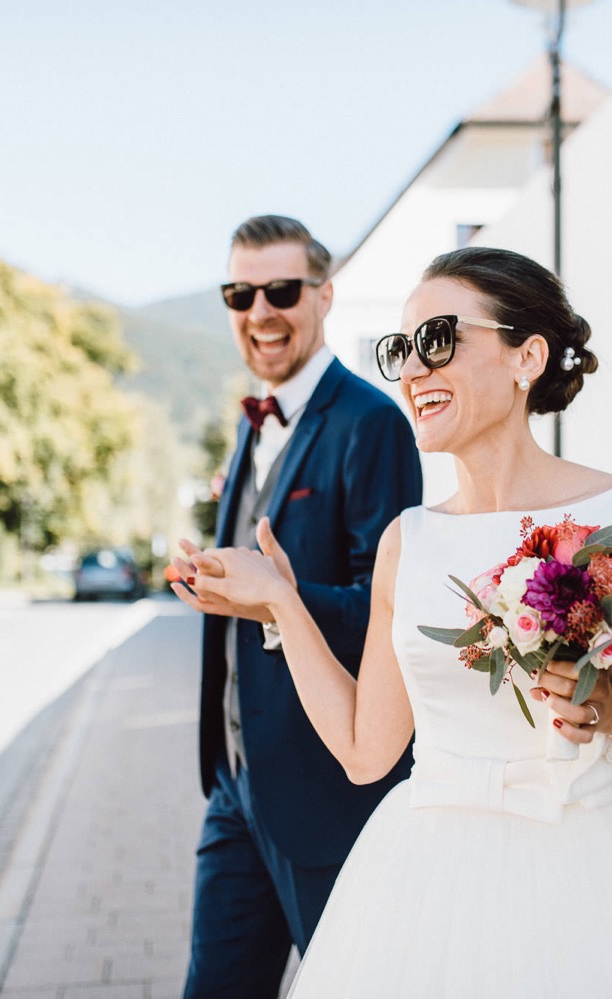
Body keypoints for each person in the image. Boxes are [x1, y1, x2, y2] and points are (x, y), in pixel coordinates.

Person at [173, 245, 612, 996]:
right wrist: (281, 601)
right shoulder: (406, 542)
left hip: (601, 887)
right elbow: (364, 751)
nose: (413, 370)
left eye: (439, 339)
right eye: (400, 349)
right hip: (428, 888)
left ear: (526, 356)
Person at [177, 215, 423, 999]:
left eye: (281, 290)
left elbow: (388, 611)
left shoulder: (371, 422)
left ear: (324, 295)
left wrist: (277, 599)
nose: (260, 311)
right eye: (240, 293)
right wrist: (219, 584)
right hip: (236, 786)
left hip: (329, 794)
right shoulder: (253, 424)